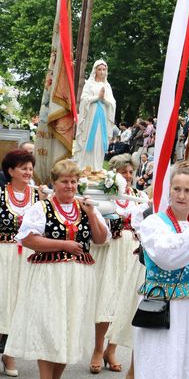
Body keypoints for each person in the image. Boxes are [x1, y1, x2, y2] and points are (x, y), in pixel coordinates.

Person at [4, 159, 110, 379]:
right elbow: (28, 240)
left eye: (73, 181)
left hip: (79, 278)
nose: (70, 186)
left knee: (69, 329)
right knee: (49, 328)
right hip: (49, 277)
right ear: (54, 183)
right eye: (64, 181)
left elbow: (100, 239)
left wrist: (91, 214)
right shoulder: (41, 207)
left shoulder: (85, 207)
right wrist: (64, 245)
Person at [133, 165, 189, 379]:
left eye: (188, 190)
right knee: (160, 364)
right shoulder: (153, 223)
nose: (181, 195)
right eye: (176, 189)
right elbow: (167, 256)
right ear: (169, 190)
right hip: (161, 305)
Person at [89, 157, 148, 374]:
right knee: (107, 297)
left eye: (131, 172)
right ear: (113, 174)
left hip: (132, 250)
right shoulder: (106, 195)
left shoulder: (140, 196)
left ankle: (110, 349)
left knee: (125, 300)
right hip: (111, 250)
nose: (129, 176)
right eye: (124, 172)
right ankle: (97, 349)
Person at [0, 150, 41, 377]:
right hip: (2, 253)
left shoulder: (38, 196)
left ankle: (9, 355)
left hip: (26, 256)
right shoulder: (0, 193)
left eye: (30, 168)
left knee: (19, 303)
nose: (28, 172)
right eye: (23, 168)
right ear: (11, 171)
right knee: (1, 300)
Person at [74, 60, 116, 171]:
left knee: (99, 141)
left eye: (104, 69)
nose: (102, 72)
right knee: (88, 139)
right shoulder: (89, 84)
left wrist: (104, 99)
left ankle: (97, 167)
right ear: (95, 70)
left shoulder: (107, 86)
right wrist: (97, 98)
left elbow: (112, 103)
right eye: (99, 69)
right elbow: (84, 99)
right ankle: (85, 166)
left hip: (103, 118)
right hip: (90, 117)